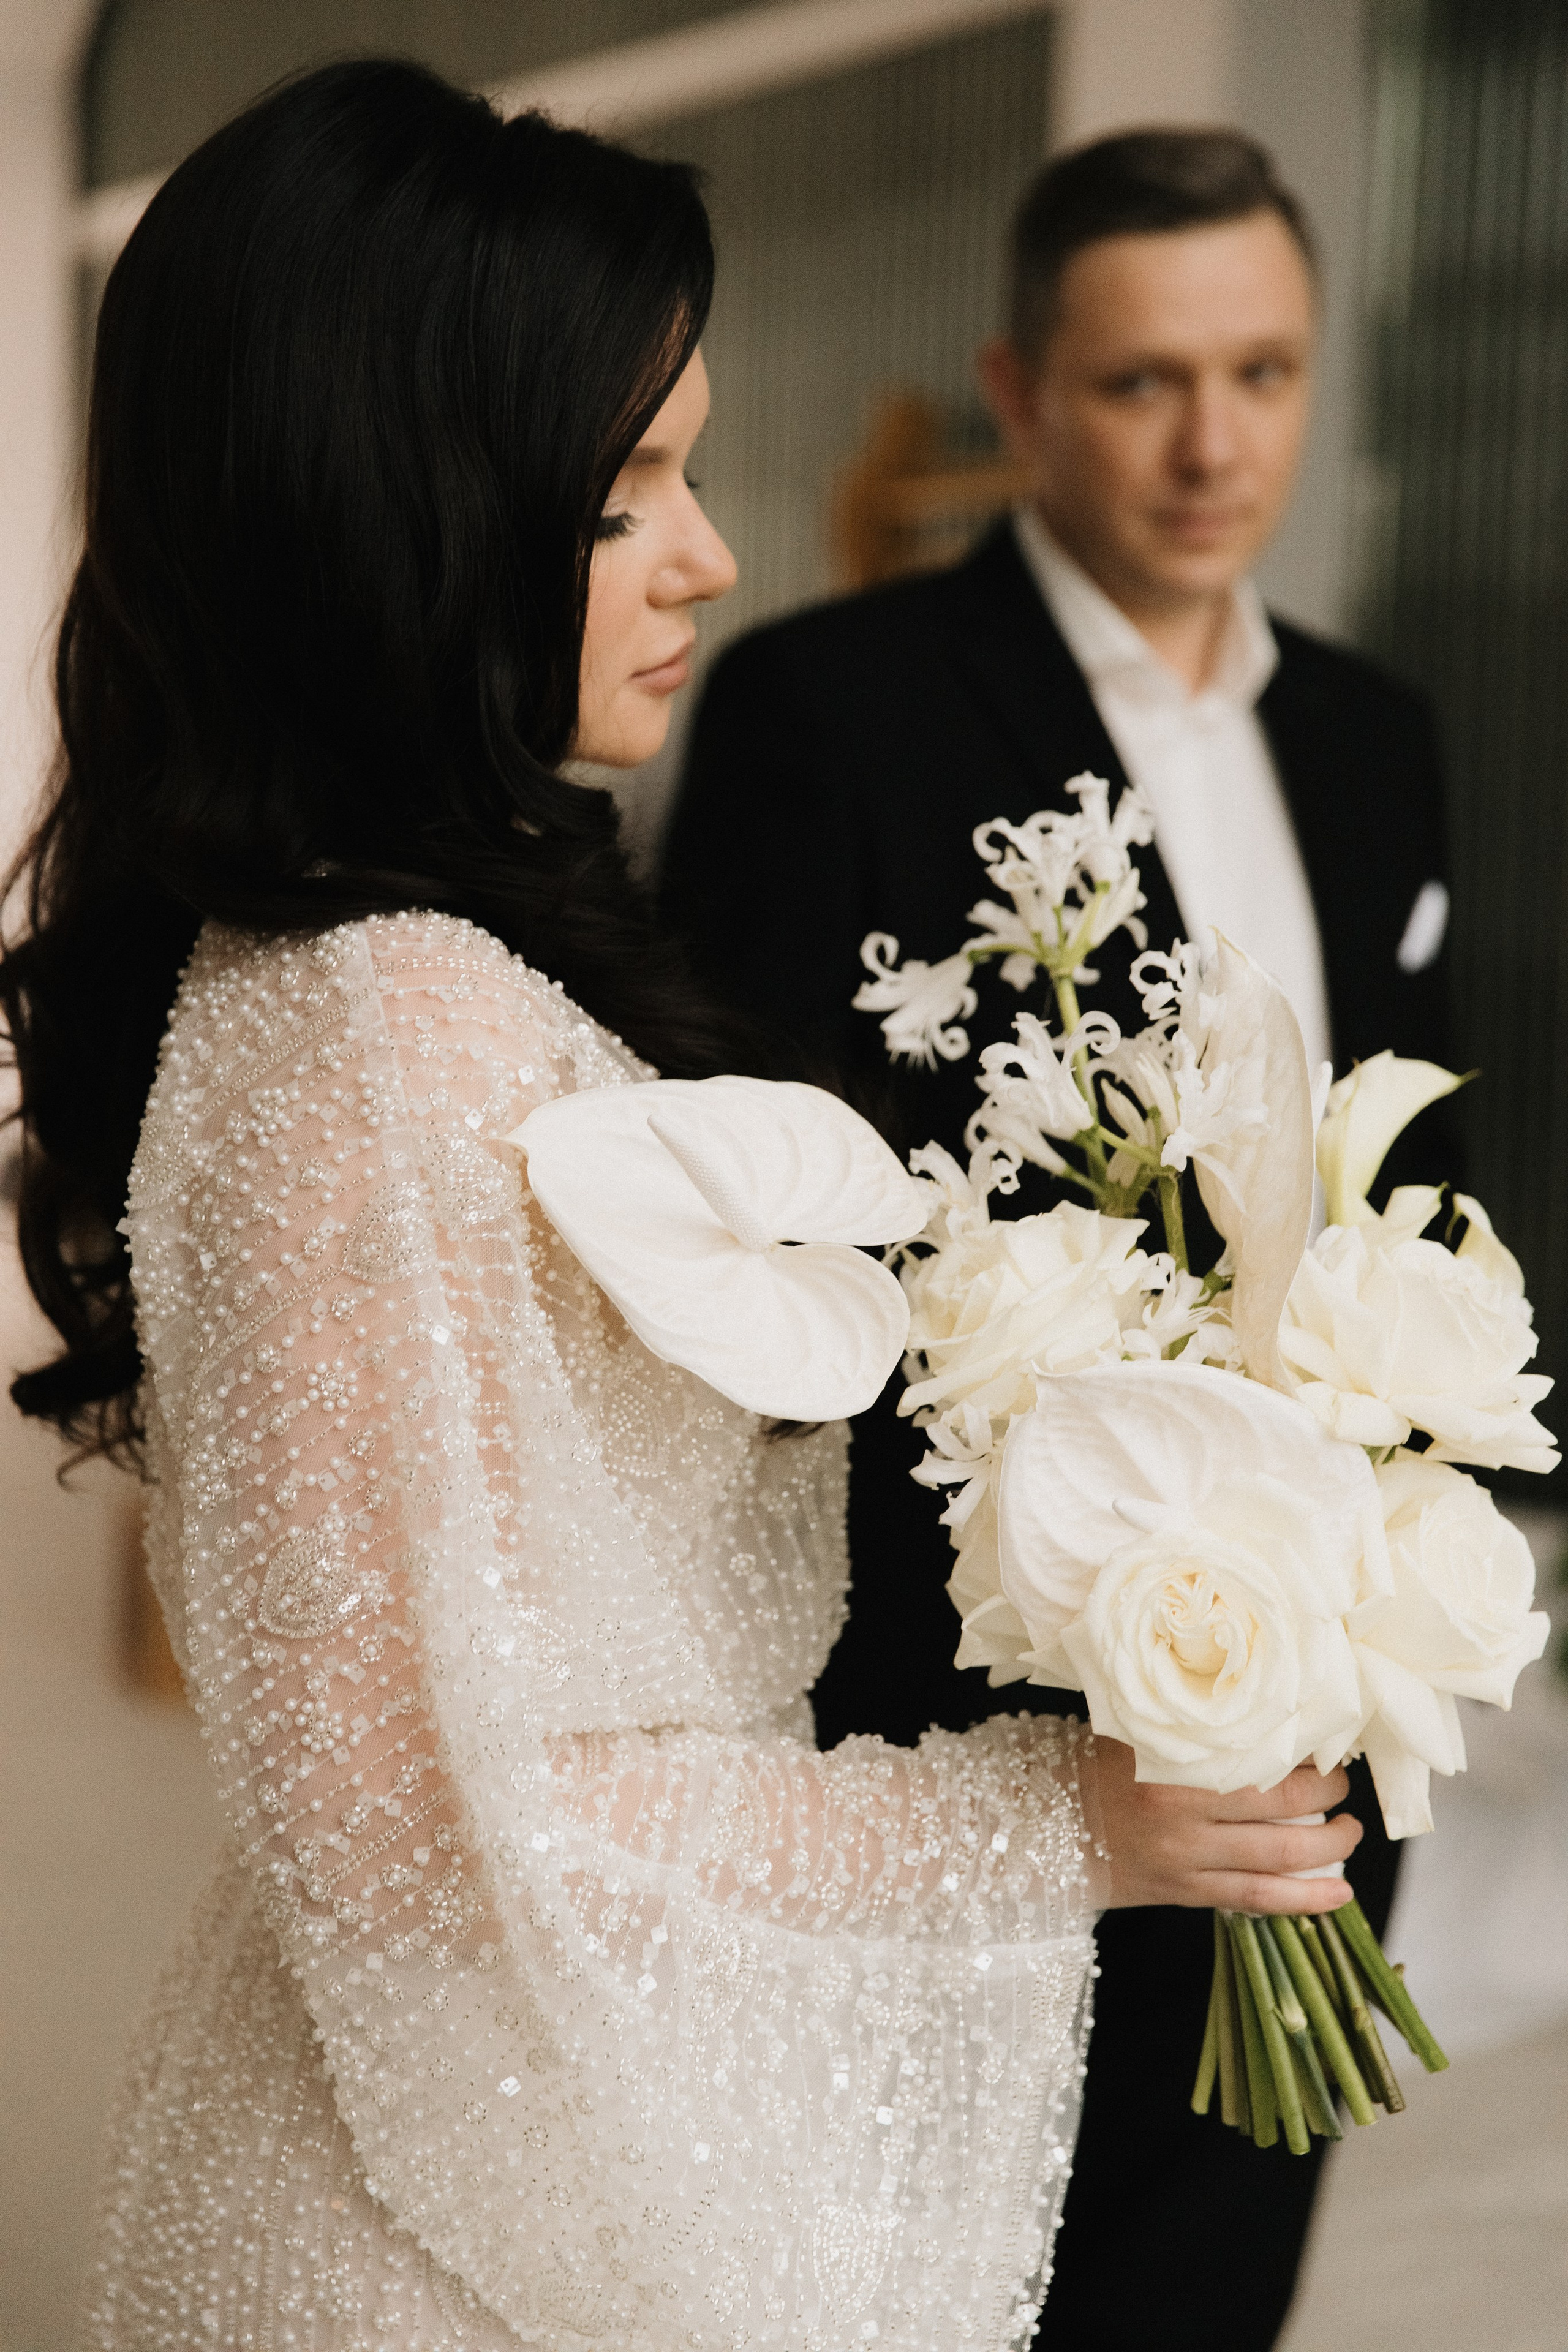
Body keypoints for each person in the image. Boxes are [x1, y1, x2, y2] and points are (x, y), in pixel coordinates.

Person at [0, 70, 1366, 2352]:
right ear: (402, 514)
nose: (712, 556)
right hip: (426, 2248)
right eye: (627, 489)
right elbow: (433, 1855)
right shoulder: (371, 1043)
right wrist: (1063, 1828)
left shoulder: (401, 976)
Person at [664, 130, 1458, 2351]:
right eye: (1142, 384)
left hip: (1315, 1696)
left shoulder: (1382, 743)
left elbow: (1409, 1198)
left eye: (1265, 371)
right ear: (1019, 392)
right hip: (979, 1701)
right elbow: (766, 1235)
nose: (1217, 443)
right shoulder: (831, 709)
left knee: (1219, 2277)